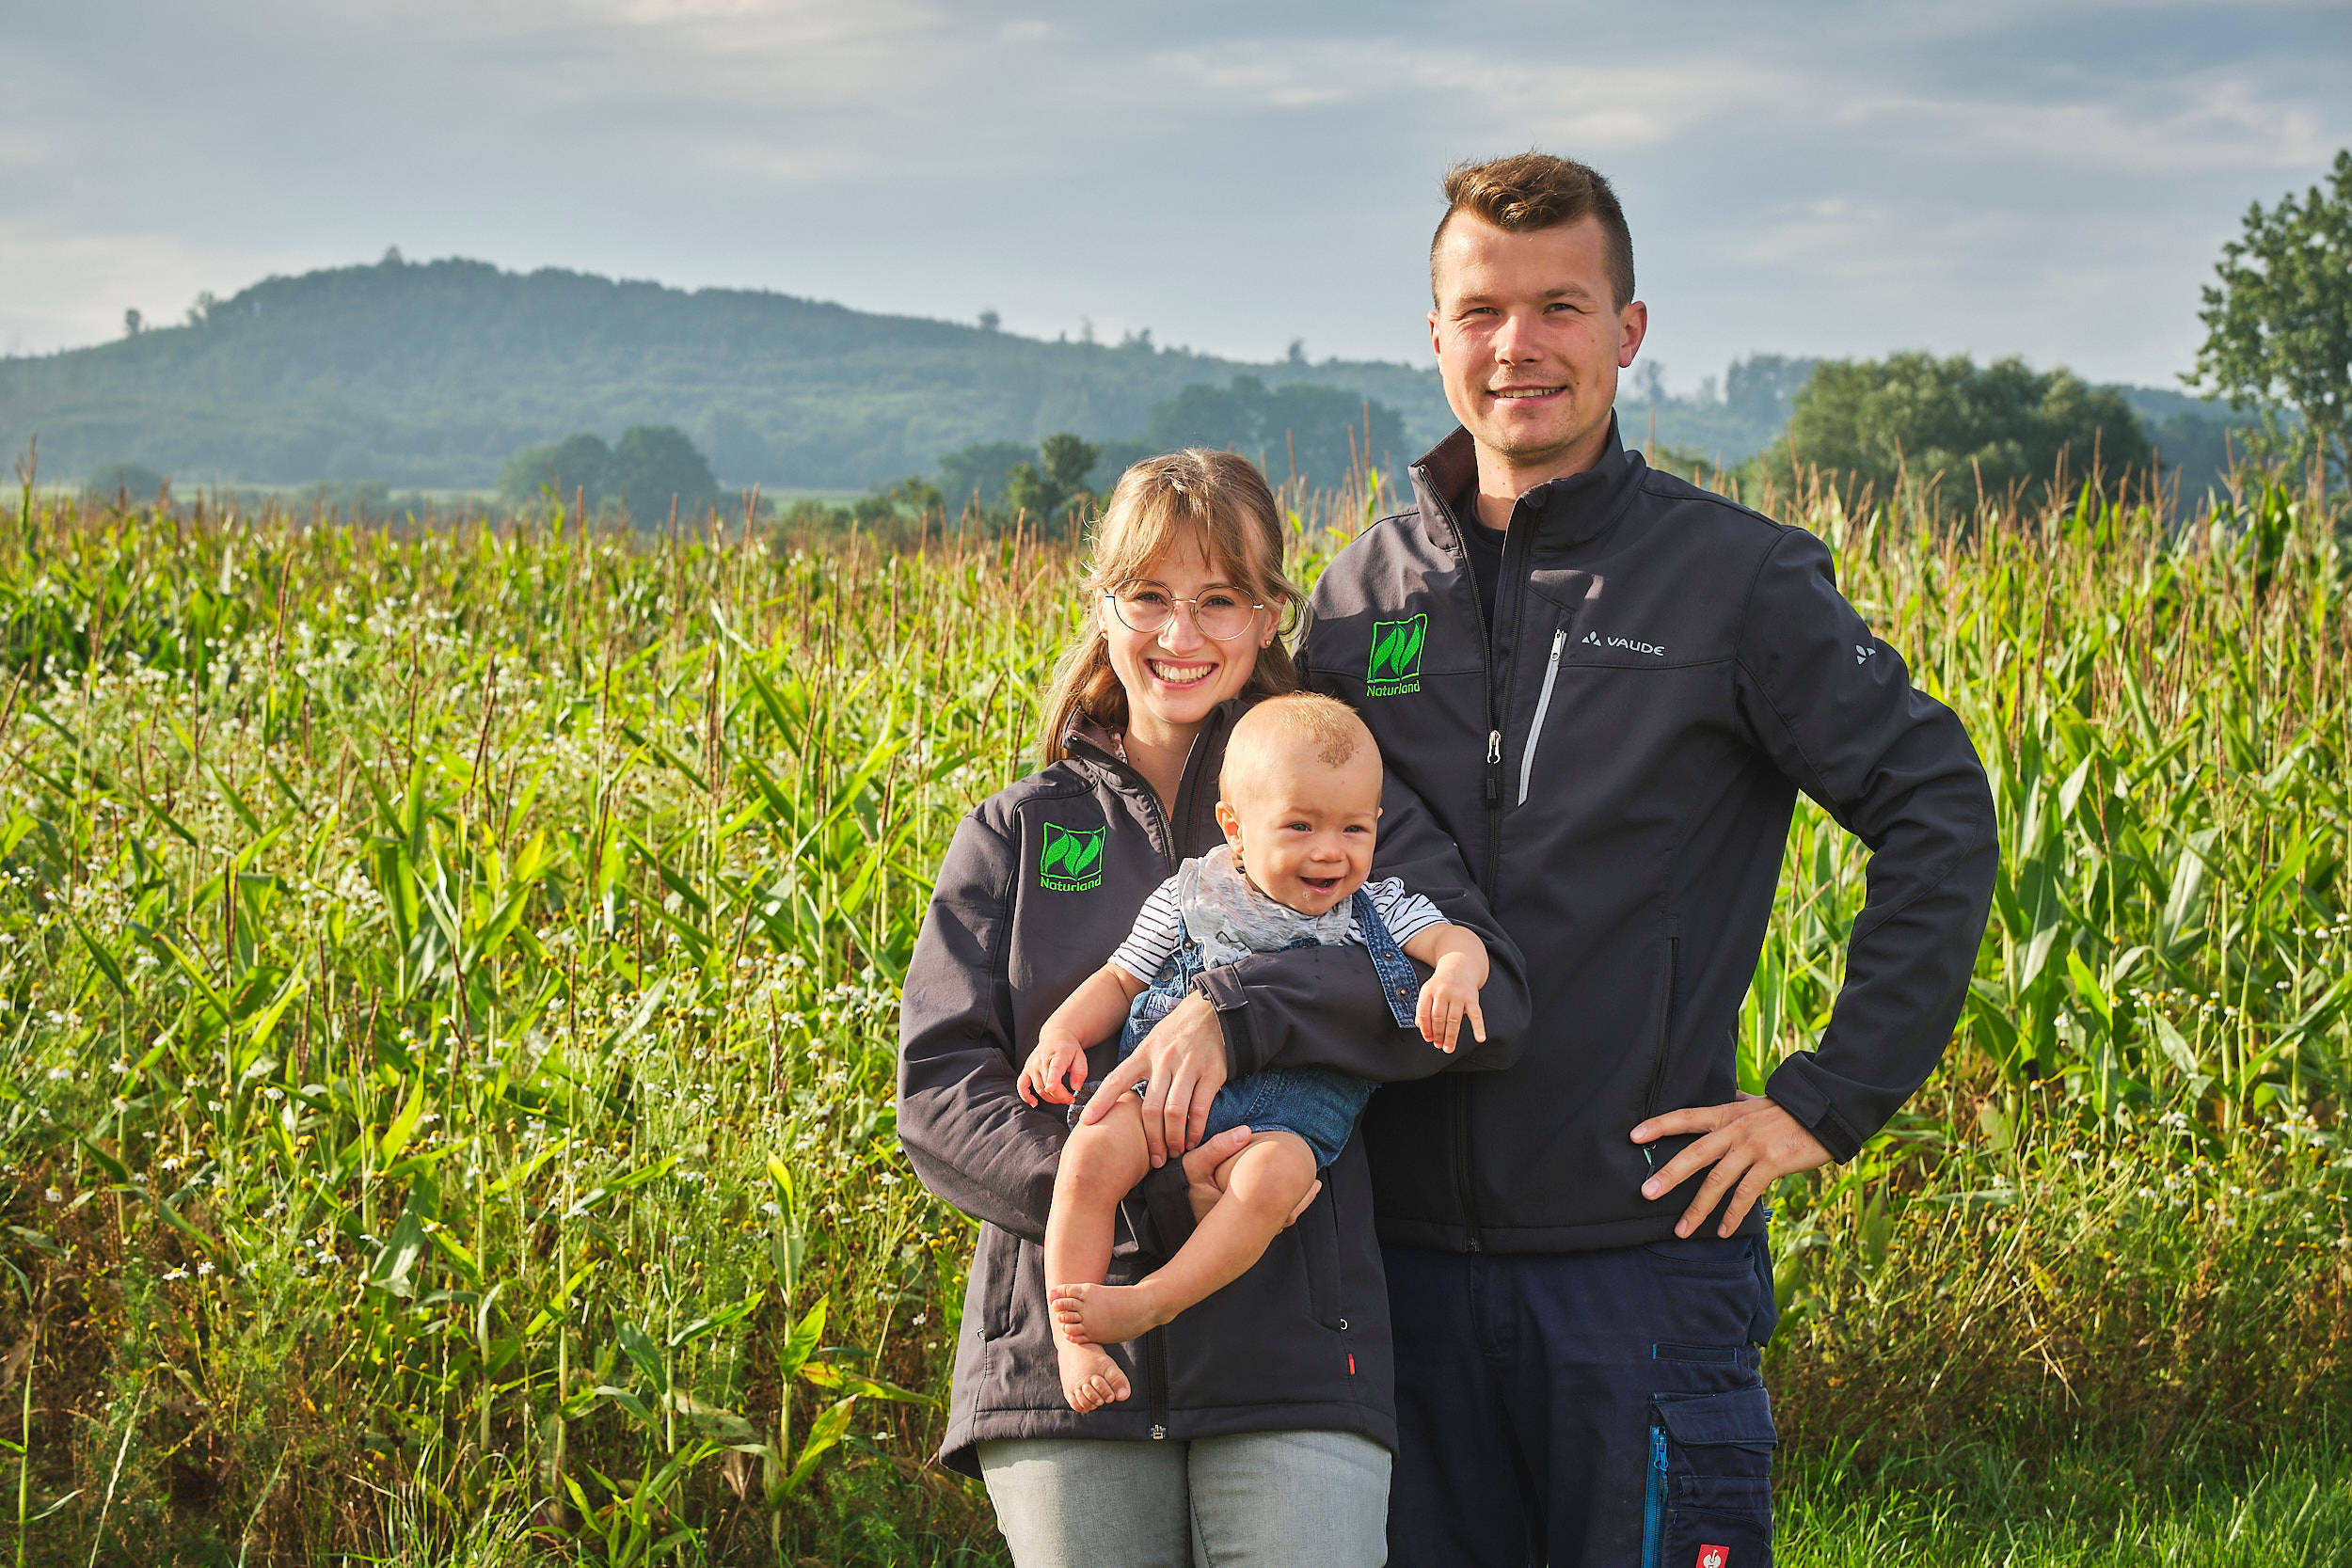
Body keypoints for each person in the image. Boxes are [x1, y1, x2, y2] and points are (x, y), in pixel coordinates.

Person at [1089, 153, 1998, 1564]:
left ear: (1626, 330)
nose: (1518, 345)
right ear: (1436, 335)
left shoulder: (1734, 579)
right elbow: (1269, 863)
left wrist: (1825, 1100)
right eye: (1482, 310)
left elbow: (1935, 803)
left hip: (1639, 1262)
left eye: (1560, 306)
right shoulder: (1361, 597)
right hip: (1391, 1271)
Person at [897, 450, 1528, 1567]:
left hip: (1294, 1350)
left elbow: (1489, 999)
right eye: (1147, 595)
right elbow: (942, 1092)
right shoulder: (1018, 830)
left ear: (1267, 615)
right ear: (1102, 605)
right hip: (1061, 1357)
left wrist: (1241, 1012)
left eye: (1218, 599)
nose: (1179, 632)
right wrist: (1142, 1182)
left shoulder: (1342, 805)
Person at [1020, 693, 1490, 1413]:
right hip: (1163, 1095)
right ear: (1235, 828)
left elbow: (1458, 940)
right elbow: (1120, 979)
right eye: (1300, 825)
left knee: (1275, 1183)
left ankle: (1154, 1299)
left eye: (1354, 828)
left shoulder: (1381, 906)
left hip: (1285, 1121)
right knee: (1088, 1153)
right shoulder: (1191, 896)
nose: (1329, 850)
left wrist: (1455, 970)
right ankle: (1073, 1336)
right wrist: (1060, 1032)